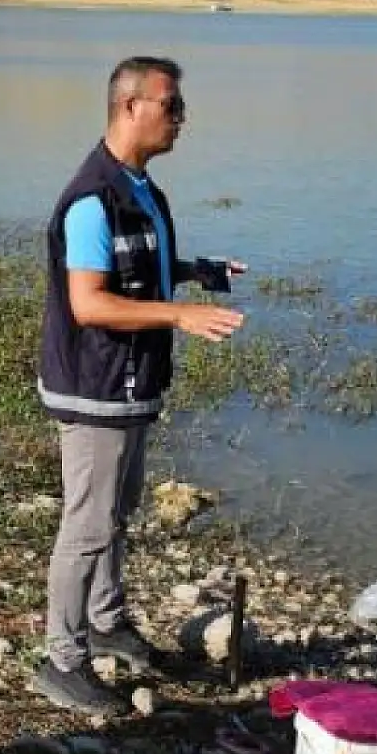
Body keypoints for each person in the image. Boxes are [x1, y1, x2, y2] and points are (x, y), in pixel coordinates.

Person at [34, 56, 248, 715]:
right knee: (88, 525)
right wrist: (180, 314)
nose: (182, 118)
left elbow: (137, 266)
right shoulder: (91, 199)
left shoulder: (142, 190)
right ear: (131, 106)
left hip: (131, 386)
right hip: (94, 387)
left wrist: (192, 272)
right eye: (172, 105)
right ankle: (61, 659)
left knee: (115, 515)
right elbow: (90, 303)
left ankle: (106, 620)